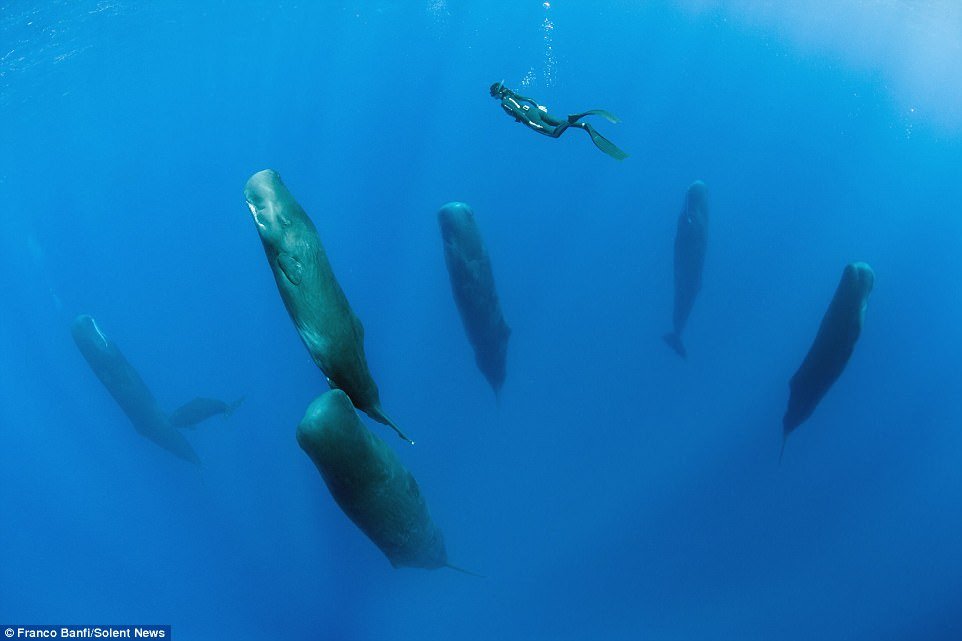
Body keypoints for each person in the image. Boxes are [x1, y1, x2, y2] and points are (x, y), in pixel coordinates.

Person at [489, 81, 628, 160]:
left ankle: (572, 119)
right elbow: (529, 100)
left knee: (555, 133)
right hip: (536, 111)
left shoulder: (505, 102)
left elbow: (518, 112)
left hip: (531, 117)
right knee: (560, 123)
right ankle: (583, 125)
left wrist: (530, 122)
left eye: (495, 96)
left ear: (498, 94)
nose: (496, 98)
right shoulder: (513, 94)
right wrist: (539, 107)